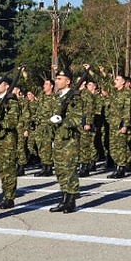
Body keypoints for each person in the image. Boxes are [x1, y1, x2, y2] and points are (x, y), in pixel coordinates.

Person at [48, 69, 84, 213]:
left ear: (68, 81)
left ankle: (71, 200)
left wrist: (63, 120)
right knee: (60, 170)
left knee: (70, 170)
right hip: (58, 139)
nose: (57, 81)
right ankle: (64, 198)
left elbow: (77, 118)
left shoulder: (75, 97)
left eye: (60, 79)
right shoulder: (56, 97)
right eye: (56, 79)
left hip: (69, 139)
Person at [0, 78, 21, 209]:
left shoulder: (12, 101)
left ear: (7, 86)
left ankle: (9, 198)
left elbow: (13, 121)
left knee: (9, 169)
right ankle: (5, 195)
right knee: (2, 170)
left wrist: (0, 124)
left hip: (7, 139)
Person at [105, 74, 131, 178]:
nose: (115, 81)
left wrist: (125, 125)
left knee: (121, 147)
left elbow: (127, 110)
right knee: (113, 148)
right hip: (113, 124)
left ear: (123, 82)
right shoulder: (114, 93)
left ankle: (121, 168)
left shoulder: (126, 94)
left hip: (120, 125)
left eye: (117, 79)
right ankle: (118, 166)